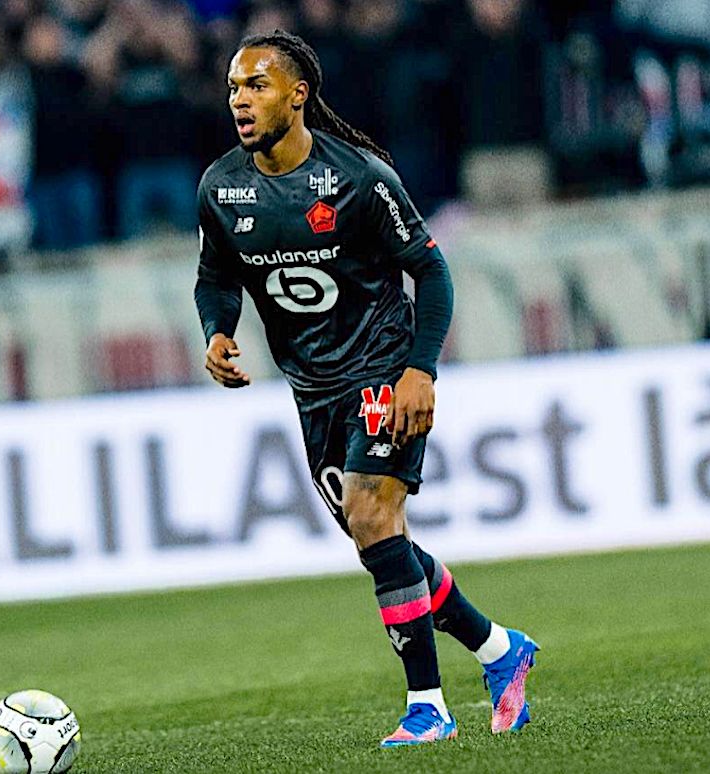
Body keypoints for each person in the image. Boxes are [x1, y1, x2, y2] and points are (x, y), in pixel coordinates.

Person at [193, 29, 538, 747]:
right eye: (233, 88)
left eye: (256, 85)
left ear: (298, 94)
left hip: (380, 368)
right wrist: (217, 332)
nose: (240, 100)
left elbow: (432, 271)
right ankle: (501, 651)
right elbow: (216, 276)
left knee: (375, 521)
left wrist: (419, 370)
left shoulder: (359, 177)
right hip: (311, 388)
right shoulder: (222, 187)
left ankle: (429, 708)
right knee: (377, 538)